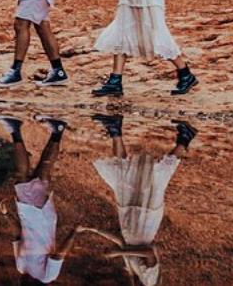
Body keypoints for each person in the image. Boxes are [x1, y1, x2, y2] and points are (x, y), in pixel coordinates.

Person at [82, 115, 197, 286]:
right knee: (156, 180)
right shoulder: (149, 282)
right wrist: (119, 254)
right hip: (145, 224)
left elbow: (121, 242)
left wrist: (94, 230)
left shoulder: (135, 274)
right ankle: (184, 139)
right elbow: (150, 252)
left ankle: (115, 130)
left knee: (122, 179)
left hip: (129, 224)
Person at [0, 115, 81, 283]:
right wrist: (74, 233)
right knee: (24, 177)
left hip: (29, 218)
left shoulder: (21, 268)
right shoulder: (47, 277)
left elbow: (16, 236)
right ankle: (15, 129)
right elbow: (59, 255)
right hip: (40, 219)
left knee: (41, 172)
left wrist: (7, 215)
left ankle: (57, 130)